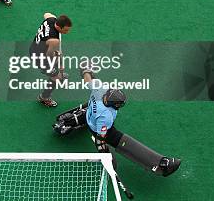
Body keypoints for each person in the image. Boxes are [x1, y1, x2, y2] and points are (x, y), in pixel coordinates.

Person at [53, 67, 182, 177]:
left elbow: (88, 80)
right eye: (119, 105)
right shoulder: (106, 116)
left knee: (91, 113)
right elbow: (100, 135)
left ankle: (74, 119)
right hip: (97, 126)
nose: (120, 106)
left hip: (89, 114)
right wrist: (101, 146)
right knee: (117, 140)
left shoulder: (99, 88)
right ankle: (162, 164)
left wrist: (85, 70)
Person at [31, 12, 72, 107]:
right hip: (40, 57)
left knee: (57, 68)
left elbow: (46, 14)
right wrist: (57, 58)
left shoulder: (52, 19)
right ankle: (44, 97)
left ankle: (58, 74)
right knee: (55, 77)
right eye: (65, 30)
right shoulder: (54, 41)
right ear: (59, 27)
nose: (67, 32)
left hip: (35, 47)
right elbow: (49, 55)